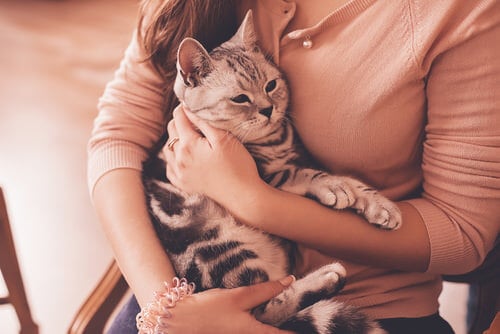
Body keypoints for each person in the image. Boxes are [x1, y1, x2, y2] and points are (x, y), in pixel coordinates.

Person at [87, 0, 500, 333]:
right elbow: (117, 137)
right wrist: (168, 306)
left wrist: (253, 200)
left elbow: (461, 233)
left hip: (372, 300)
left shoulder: (460, 12)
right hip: (183, 285)